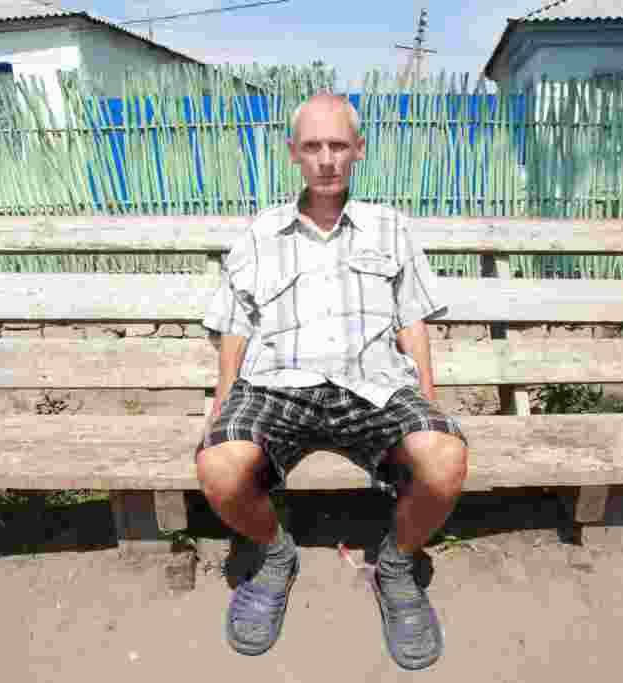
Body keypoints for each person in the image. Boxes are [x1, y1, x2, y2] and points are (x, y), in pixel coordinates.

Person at [196, 91, 468, 671]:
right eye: (313, 146)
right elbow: (235, 321)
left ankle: (395, 566)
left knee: (445, 457)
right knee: (217, 464)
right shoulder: (262, 232)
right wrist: (221, 402)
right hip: (278, 387)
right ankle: (274, 555)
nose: (326, 159)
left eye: (338, 145)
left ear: (358, 150)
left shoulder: (390, 228)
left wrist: (429, 402)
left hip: (372, 386)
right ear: (293, 152)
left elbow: (412, 320)